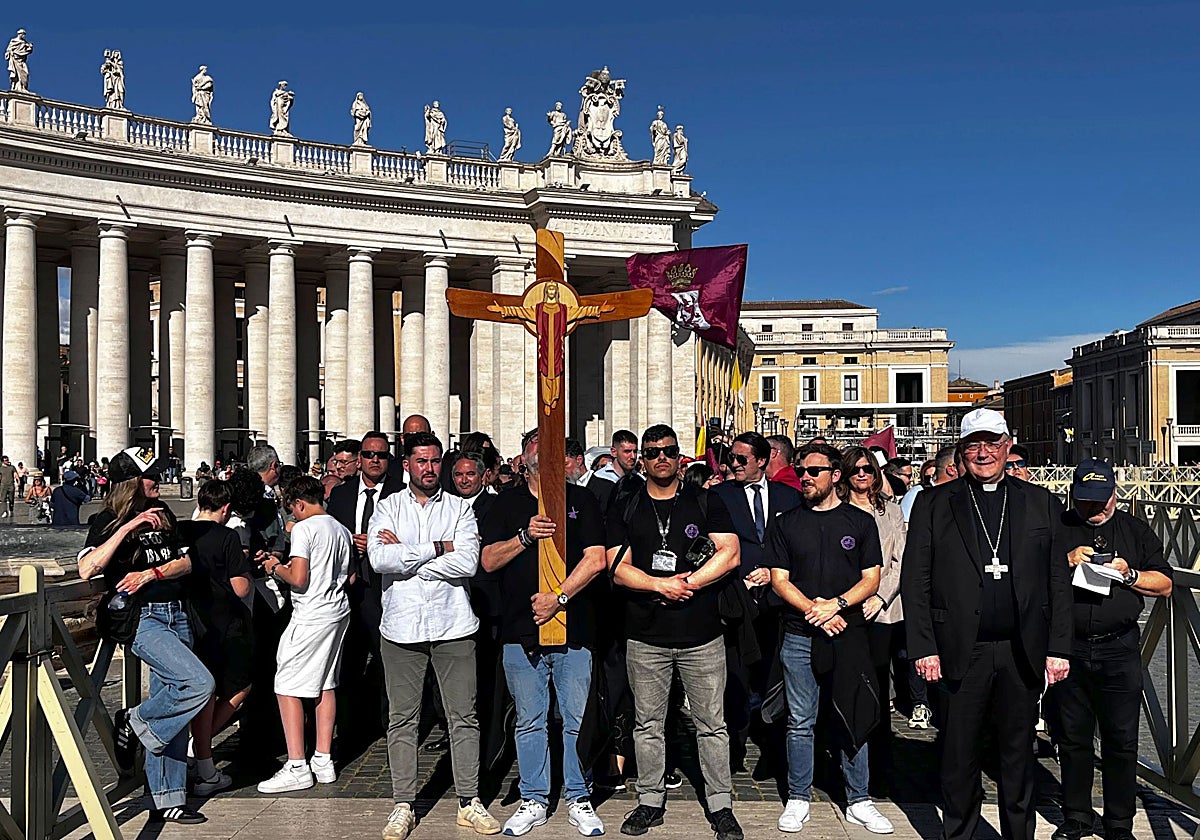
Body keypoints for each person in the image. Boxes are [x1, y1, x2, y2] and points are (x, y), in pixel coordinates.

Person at [902, 408, 1073, 840]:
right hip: (962, 647)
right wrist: (923, 647)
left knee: (1019, 755)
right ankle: (960, 833)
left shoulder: (1041, 502)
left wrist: (1058, 648)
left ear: (1007, 445)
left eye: (992, 443)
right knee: (959, 756)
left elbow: (1057, 580)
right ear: (961, 452)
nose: (984, 453)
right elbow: (915, 579)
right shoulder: (934, 502)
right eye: (973, 445)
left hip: (1021, 648)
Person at [607, 424, 743, 840]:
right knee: (648, 723)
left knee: (711, 724)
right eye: (652, 452)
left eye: (668, 451)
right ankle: (650, 800)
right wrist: (659, 585)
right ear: (642, 460)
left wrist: (691, 584)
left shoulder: (705, 499)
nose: (660, 458)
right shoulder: (626, 503)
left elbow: (731, 552)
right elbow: (615, 565)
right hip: (646, 635)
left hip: (701, 633)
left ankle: (720, 805)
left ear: (680, 457)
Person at [368, 432, 500, 840]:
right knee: (402, 719)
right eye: (421, 461)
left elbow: (467, 564)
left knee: (464, 717)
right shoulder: (387, 507)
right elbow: (378, 559)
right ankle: (403, 803)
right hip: (402, 626)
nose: (429, 468)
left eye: (434, 460)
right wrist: (436, 548)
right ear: (406, 464)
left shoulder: (461, 510)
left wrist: (410, 552)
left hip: (453, 624)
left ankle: (469, 800)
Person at [78, 447, 214, 825]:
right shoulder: (105, 519)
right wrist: (127, 528)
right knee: (197, 684)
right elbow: (88, 567)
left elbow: (186, 561)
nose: (160, 479)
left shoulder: (165, 514)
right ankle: (135, 722)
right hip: (143, 618)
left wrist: (153, 574)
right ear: (132, 482)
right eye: (151, 474)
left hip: (177, 612)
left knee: (173, 700)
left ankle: (165, 796)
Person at [480, 432, 606, 836]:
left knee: (575, 716)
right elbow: (488, 559)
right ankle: (534, 797)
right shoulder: (507, 503)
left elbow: (596, 558)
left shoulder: (581, 500)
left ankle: (579, 796)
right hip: (520, 629)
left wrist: (560, 597)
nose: (543, 451)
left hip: (574, 628)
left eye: (551, 444)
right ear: (523, 456)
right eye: (536, 443)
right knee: (529, 719)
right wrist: (524, 537)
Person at [768, 442, 893, 834]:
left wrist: (834, 606)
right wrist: (814, 611)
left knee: (852, 715)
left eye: (814, 471)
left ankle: (859, 799)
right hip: (799, 634)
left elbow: (871, 578)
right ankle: (798, 796)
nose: (805, 477)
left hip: (848, 634)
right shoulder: (786, 522)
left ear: (834, 476)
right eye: (801, 470)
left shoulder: (859, 522)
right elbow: (779, 580)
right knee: (800, 720)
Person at [1052, 459, 1173, 840]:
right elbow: (1030, 574)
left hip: (1119, 647)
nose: (1095, 509)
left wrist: (1130, 575)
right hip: (1068, 647)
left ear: (1115, 494)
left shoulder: (1135, 530)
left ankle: (1119, 822)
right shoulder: (1058, 529)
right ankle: (1076, 817)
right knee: (1073, 738)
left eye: (1102, 501)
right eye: (1086, 502)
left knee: (1121, 740)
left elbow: (1166, 583)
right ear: (1073, 497)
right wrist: (1064, 561)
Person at [710, 431, 801, 768]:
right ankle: (734, 745)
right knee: (734, 675)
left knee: (775, 675)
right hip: (736, 598)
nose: (732, 464)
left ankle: (772, 747)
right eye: (731, 458)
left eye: (741, 459)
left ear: (762, 461)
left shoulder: (788, 497)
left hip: (778, 600)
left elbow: (795, 545)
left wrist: (772, 570)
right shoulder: (719, 496)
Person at [256, 475, 352, 793]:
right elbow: (348, 575)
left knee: (285, 685)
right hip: (338, 609)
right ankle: (323, 759)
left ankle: (297, 764)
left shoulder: (305, 529)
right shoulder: (340, 528)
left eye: (292, 510)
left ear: (298, 503)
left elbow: (298, 578)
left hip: (311, 614)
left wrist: (273, 566)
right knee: (326, 682)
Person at [838, 446, 921, 780]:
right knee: (846, 684)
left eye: (868, 469)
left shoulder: (890, 511)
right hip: (845, 607)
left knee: (878, 684)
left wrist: (881, 596)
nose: (862, 474)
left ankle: (881, 761)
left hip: (882, 610)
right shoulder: (836, 510)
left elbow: (901, 561)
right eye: (856, 469)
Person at [327, 431, 406, 748]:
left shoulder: (402, 494)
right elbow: (329, 536)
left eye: (382, 455)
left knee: (389, 660)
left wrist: (376, 544)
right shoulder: (342, 495)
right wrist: (350, 543)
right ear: (359, 459)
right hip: (348, 588)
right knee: (346, 660)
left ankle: (391, 726)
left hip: (385, 588)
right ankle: (348, 727)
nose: (375, 460)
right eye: (370, 454)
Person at [178, 479, 254, 796]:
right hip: (224, 622)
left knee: (202, 692)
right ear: (225, 508)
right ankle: (201, 749)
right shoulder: (227, 536)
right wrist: (248, 570)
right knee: (241, 685)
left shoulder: (181, 531)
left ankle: (198, 755)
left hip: (189, 621)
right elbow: (240, 588)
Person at [587, 429, 640, 511]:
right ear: (614, 452)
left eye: (635, 451)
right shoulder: (599, 480)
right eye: (627, 451)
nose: (633, 456)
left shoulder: (640, 480)